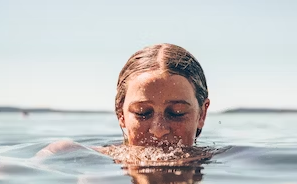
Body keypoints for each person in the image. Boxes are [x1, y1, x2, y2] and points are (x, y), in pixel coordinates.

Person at [33, 43, 210, 160]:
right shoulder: (69, 154)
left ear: (202, 114)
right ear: (121, 114)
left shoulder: (229, 160)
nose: (158, 130)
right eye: (142, 112)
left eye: (176, 113)